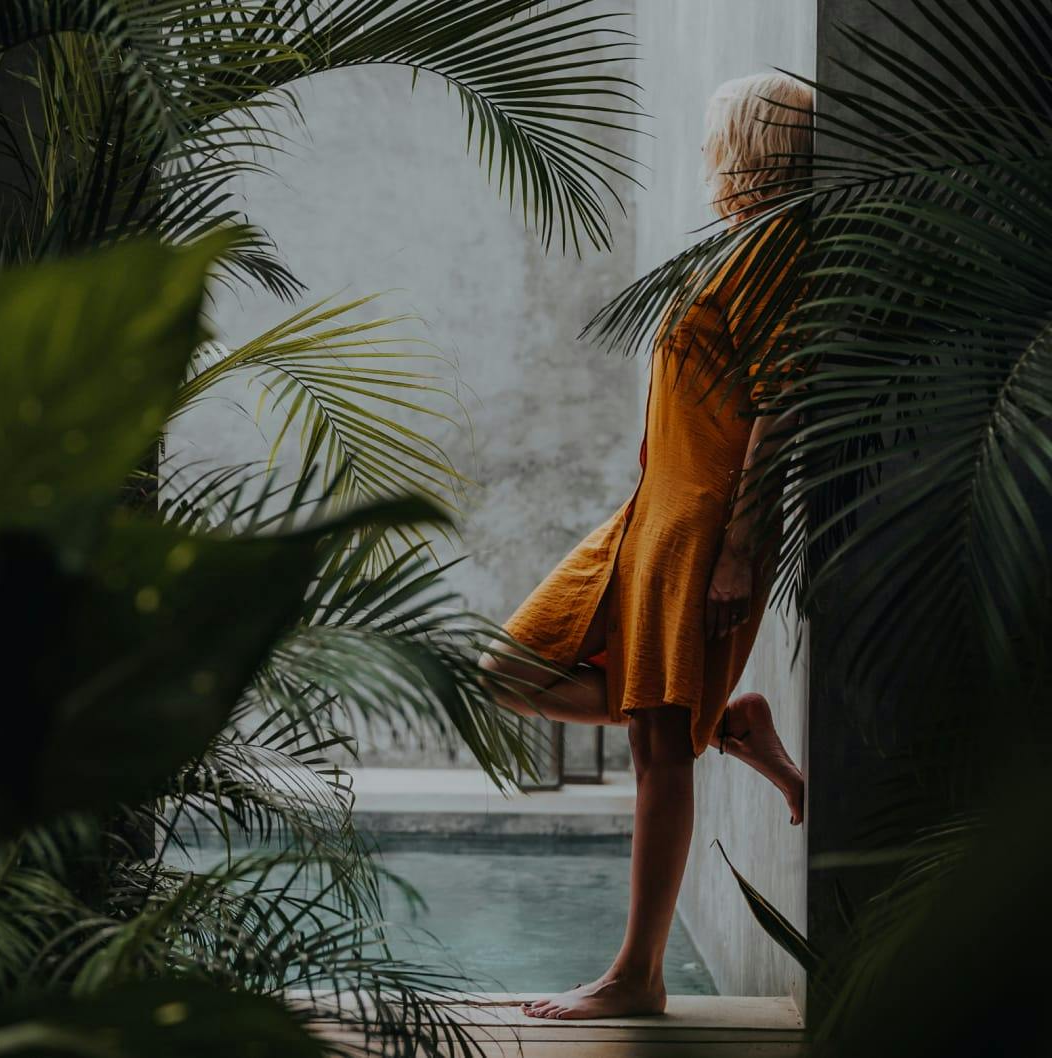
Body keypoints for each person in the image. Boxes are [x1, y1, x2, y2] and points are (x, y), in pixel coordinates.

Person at [478, 72, 812, 1021]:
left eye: (719, 133)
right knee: (505, 668)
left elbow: (782, 398)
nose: (708, 150)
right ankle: (730, 720)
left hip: (703, 522)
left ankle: (638, 977)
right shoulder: (739, 243)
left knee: (656, 743)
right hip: (649, 510)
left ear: (749, 143)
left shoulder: (778, 243)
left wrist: (740, 548)